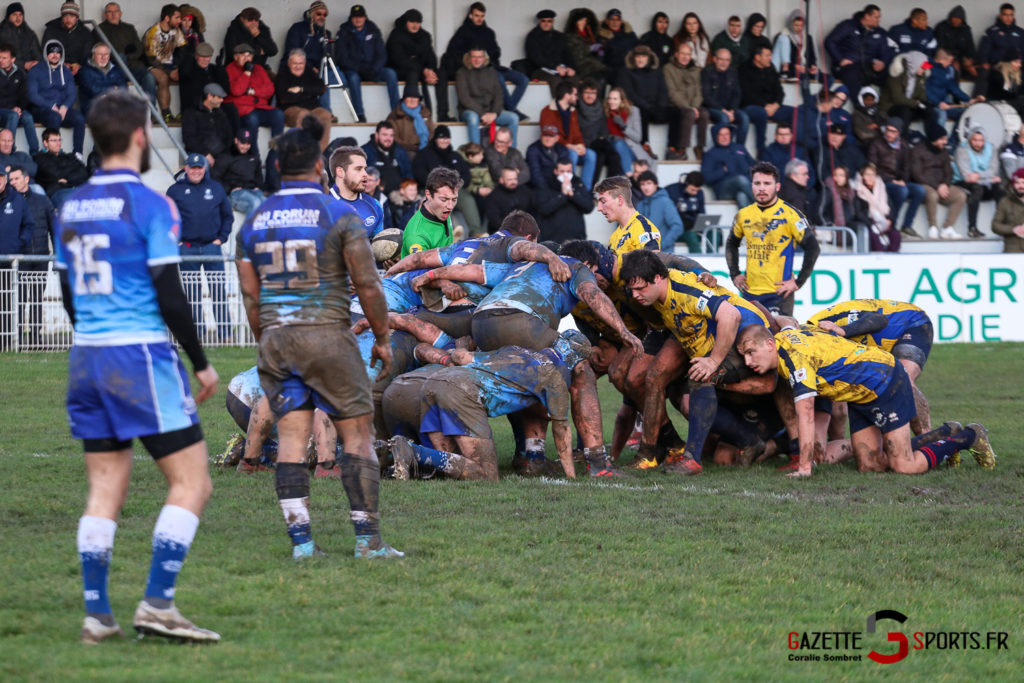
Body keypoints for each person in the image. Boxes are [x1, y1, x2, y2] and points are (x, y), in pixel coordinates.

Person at [55, 90, 220, 644]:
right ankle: (158, 602)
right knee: (192, 483)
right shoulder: (147, 204)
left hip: (88, 359)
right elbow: (170, 294)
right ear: (139, 136)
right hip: (138, 357)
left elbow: (69, 293)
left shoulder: (71, 206)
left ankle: (97, 614)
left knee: (104, 492)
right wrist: (200, 363)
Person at [235, 113, 401, 560]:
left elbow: (252, 298)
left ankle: (303, 545)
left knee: (291, 440)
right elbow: (367, 284)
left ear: (276, 169)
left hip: (277, 339)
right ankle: (368, 542)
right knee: (358, 438)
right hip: (328, 335)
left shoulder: (253, 220)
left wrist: (267, 341)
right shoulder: (340, 215)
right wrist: (382, 338)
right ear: (320, 170)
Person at [737, 324, 995, 477]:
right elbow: (788, 323)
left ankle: (969, 437)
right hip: (859, 394)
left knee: (903, 466)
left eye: (751, 353)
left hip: (884, 380)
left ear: (769, 344)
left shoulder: (793, 359)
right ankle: (943, 432)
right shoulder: (785, 336)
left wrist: (805, 467)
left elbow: (805, 413)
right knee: (871, 466)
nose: (748, 362)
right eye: (744, 356)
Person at [618, 248, 773, 475]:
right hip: (721, 341)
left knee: (701, 376)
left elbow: (731, 315)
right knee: (681, 397)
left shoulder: (684, 291)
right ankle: (749, 441)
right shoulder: (657, 294)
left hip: (744, 340)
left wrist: (713, 361)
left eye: (641, 288)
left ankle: (692, 460)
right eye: (631, 290)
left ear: (659, 279)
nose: (636, 295)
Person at [725, 161, 819, 316]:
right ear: (752, 186)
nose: (762, 188)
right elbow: (731, 244)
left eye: (767, 183)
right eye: (757, 183)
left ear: (777, 187)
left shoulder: (791, 215)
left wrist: (798, 282)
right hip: (750, 292)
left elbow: (813, 248)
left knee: (779, 339)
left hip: (779, 294)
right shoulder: (743, 215)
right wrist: (735, 274)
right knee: (748, 338)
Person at [165, 154, 232, 341]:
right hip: (187, 248)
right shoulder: (175, 190)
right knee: (192, 295)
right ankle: (197, 334)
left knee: (218, 291)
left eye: (199, 168)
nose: (196, 171)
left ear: (205, 168)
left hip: (212, 247)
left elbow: (228, 216)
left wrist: (221, 239)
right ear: (186, 168)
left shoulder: (216, 188)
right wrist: (176, 241)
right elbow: (166, 218)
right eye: (192, 168)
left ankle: (225, 334)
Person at [436, 3, 528, 123]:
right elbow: (452, 53)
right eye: (476, 16)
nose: (479, 19)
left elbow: (496, 51)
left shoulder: (489, 32)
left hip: (494, 66)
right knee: (498, 78)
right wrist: (473, 60)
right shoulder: (463, 31)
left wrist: (492, 55)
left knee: (523, 79)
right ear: (470, 16)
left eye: (482, 16)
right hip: (477, 70)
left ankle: (509, 107)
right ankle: (512, 109)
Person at [7, 163, 51, 349]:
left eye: (16, 178)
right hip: (20, 259)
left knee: (37, 300)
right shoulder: (8, 202)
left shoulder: (43, 201)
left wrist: (57, 258)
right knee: (18, 298)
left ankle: (35, 338)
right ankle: (15, 337)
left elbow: (54, 229)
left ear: (26, 179)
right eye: (11, 180)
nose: (13, 182)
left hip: (41, 257)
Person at [619, 45, 685, 160]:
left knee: (676, 112)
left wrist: (660, 106)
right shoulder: (627, 72)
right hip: (640, 108)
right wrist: (647, 106)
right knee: (641, 112)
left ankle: (672, 148)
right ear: (633, 58)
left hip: (657, 108)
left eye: (643, 57)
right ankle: (645, 146)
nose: (640, 60)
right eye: (638, 57)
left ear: (648, 58)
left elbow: (663, 91)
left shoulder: (656, 72)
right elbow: (629, 94)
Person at [336, 4, 400, 121]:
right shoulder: (343, 32)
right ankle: (359, 115)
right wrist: (359, 69)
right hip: (354, 69)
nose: (358, 19)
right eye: (355, 17)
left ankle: (396, 112)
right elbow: (342, 58)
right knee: (354, 79)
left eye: (360, 16)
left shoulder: (373, 30)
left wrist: (374, 69)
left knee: (390, 73)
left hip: (372, 69)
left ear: (365, 17)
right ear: (351, 18)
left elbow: (382, 54)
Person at [868, 117, 927, 239]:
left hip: (898, 181)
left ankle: (907, 225)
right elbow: (872, 168)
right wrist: (892, 181)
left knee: (920, 190)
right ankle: (892, 224)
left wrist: (903, 180)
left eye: (893, 131)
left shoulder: (904, 145)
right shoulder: (876, 143)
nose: (889, 134)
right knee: (901, 191)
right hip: (882, 181)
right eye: (888, 130)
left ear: (899, 133)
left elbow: (907, 166)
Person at [910, 124, 968, 239]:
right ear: (934, 139)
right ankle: (933, 227)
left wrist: (945, 185)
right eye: (942, 139)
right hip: (924, 184)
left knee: (960, 195)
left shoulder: (943, 152)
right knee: (932, 195)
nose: (945, 142)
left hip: (941, 185)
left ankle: (947, 227)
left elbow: (949, 172)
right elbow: (917, 174)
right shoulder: (917, 151)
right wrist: (937, 187)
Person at [27, 41, 85, 156]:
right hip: (41, 108)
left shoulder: (67, 72)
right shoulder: (35, 70)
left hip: (61, 108)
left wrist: (65, 106)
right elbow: (32, 95)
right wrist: (51, 106)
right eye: (51, 52)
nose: (55, 55)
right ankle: (53, 154)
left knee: (79, 118)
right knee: (55, 117)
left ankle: (78, 155)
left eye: (58, 53)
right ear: (45, 54)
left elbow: (72, 93)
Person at [455, 46, 519, 147]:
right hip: (470, 111)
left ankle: (511, 154)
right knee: (473, 118)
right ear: (469, 57)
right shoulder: (461, 73)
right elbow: (464, 98)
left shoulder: (491, 72)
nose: (477, 60)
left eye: (480, 57)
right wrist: (482, 113)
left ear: (484, 58)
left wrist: (494, 113)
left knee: (513, 118)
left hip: (490, 112)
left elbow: (499, 95)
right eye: (474, 57)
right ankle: (476, 153)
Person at [826, 5, 894, 95]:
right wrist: (840, 60)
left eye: (879, 17)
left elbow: (886, 51)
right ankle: (859, 106)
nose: (879, 20)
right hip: (848, 66)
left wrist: (882, 62)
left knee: (890, 76)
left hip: (869, 66)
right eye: (876, 17)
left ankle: (884, 107)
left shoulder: (880, 32)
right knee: (852, 74)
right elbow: (830, 41)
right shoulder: (848, 25)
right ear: (866, 16)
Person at [739, 46, 793, 156]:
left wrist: (776, 104)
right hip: (751, 106)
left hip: (772, 107)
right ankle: (761, 150)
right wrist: (765, 106)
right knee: (761, 113)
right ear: (757, 57)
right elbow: (746, 94)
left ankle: (791, 147)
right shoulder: (744, 69)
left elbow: (779, 91)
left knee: (796, 112)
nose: (770, 58)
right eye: (767, 55)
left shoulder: (771, 67)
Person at [538, 82, 595, 187]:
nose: (577, 97)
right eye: (575, 94)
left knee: (591, 155)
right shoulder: (547, 111)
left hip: (571, 147)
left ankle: (585, 191)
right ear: (567, 95)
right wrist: (569, 146)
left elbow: (577, 133)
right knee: (571, 154)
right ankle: (569, 187)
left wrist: (581, 145)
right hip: (557, 149)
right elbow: (550, 137)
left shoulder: (573, 111)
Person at [275, 49, 331, 151]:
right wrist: (309, 94)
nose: (298, 66)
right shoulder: (282, 74)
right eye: (294, 63)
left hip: (313, 108)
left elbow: (321, 88)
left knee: (325, 114)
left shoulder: (309, 71)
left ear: (305, 63)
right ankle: (302, 153)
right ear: (289, 63)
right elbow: (284, 98)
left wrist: (301, 89)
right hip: (291, 109)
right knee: (304, 114)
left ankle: (322, 153)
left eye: (301, 63)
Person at [282, 2, 334, 112]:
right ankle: (326, 112)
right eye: (319, 14)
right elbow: (291, 52)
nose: (322, 17)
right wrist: (309, 67)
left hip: (319, 69)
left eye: (325, 15)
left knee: (341, 76)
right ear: (311, 14)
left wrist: (321, 68)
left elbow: (329, 56)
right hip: (298, 67)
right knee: (321, 79)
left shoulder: (326, 34)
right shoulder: (298, 28)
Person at [226, 43, 283, 144]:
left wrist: (253, 91)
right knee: (252, 119)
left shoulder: (259, 69)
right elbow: (237, 91)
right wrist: (246, 73)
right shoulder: (229, 69)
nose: (246, 58)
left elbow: (270, 90)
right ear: (235, 57)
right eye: (243, 55)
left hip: (260, 108)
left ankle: (275, 155)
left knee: (278, 114)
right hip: (243, 110)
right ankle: (253, 156)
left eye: (249, 55)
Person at [953, 127, 1004, 238]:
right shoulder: (962, 150)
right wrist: (989, 178)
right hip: (961, 182)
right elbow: (967, 176)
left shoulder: (992, 149)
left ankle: (1003, 225)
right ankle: (972, 228)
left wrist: (979, 176)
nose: (978, 143)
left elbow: (993, 170)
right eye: (975, 140)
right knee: (976, 189)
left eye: (981, 140)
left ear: (984, 140)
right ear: (970, 139)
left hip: (983, 182)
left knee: (999, 188)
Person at [663, 42, 710, 161]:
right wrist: (689, 107)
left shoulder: (695, 70)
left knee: (704, 113)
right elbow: (672, 92)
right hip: (676, 105)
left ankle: (700, 147)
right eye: (682, 54)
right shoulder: (668, 68)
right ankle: (682, 148)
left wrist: (694, 106)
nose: (685, 57)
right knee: (689, 114)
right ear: (676, 54)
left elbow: (699, 92)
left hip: (693, 105)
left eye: (688, 54)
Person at [386, 9, 438, 113]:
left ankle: (440, 114)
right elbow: (399, 61)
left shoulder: (424, 36)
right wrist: (424, 70)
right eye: (412, 22)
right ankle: (409, 109)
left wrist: (430, 70)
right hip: (400, 70)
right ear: (406, 22)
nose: (415, 25)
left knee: (441, 73)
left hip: (421, 70)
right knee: (413, 73)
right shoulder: (396, 35)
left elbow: (431, 57)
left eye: (418, 22)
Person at [401, 166, 461, 257]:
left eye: (454, 199)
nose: (450, 206)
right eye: (444, 200)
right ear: (428, 195)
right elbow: (424, 271)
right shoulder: (416, 236)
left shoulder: (441, 210)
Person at [327, 146, 384, 239]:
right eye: (358, 169)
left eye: (365, 168)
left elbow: (379, 246)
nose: (365, 174)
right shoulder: (320, 205)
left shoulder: (374, 205)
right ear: (340, 172)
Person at [595, 174, 661, 253]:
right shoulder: (615, 235)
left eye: (603, 201)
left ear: (620, 200)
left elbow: (652, 263)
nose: (599, 208)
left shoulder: (643, 229)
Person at [534, 157, 592, 243]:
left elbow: (589, 207)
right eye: (562, 171)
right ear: (556, 171)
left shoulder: (578, 183)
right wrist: (563, 195)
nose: (566, 175)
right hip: (552, 240)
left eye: (568, 171)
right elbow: (543, 209)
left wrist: (572, 195)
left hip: (576, 240)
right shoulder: (546, 185)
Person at [143, 4, 185, 123]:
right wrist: (169, 71)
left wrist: (179, 68)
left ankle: (186, 110)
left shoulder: (176, 31)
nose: (179, 20)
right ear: (167, 18)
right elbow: (150, 58)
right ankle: (166, 113)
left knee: (187, 75)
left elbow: (183, 49)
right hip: (152, 64)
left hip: (170, 64)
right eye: (176, 18)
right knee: (163, 78)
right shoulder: (153, 32)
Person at [576, 79, 623, 178]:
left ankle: (611, 190)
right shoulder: (576, 108)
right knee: (599, 157)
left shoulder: (600, 107)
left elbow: (603, 129)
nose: (590, 96)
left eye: (593, 93)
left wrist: (602, 139)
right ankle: (591, 190)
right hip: (584, 143)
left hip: (599, 141)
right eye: (587, 92)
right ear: (581, 93)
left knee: (615, 157)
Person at [212, 128, 263, 218]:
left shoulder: (253, 156)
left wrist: (257, 186)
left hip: (252, 190)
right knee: (255, 203)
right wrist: (229, 189)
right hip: (235, 193)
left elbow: (258, 175)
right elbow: (215, 177)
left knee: (267, 202)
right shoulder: (226, 156)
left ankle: (266, 232)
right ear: (236, 141)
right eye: (243, 143)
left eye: (248, 144)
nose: (245, 146)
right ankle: (250, 232)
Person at [702, 48, 749, 144]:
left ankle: (739, 149)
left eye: (727, 60)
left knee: (744, 118)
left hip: (729, 110)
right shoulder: (706, 72)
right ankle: (724, 149)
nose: (724, 63)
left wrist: (732, 110)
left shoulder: (733, 72)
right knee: (724, 118)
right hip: (712, 108)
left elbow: (737, 94)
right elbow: (706, 97)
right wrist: (724, 111)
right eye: (721, 59)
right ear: (715, 59)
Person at [522, 9, 575, 94]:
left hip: (559, 69)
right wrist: (556, 67)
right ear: (539, 21)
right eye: (543, 21)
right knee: (556, 81)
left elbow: (567, 54)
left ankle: (573, 106)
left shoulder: (559, 36)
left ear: (553, 21)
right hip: (539, 70)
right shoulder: (533, 36)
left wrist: (570, 67)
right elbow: (536, 58)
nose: (546, 24)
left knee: (573, 79)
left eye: (549, 21)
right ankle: (559, 105)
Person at [701, 123, 755, 207]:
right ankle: (767, 205)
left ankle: (749, 220)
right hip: (724, 190)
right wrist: (722, 170)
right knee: (740, 179)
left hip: (743, 186)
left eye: (727, 134)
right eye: (721, 135)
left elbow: (753, 165)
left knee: (742, 196)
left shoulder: (740, 148)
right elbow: (706, 178)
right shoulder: (710, 154)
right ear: (715, 136)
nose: (725, 137)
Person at [852, 162, 901, 251]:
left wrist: (889, 219)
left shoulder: (882, 189)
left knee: (895, 234)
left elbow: (890, 208)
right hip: (870, 223)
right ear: (862, 176)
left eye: (873, 175)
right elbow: (858, 213)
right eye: (868, 174)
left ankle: (892, 257)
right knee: (873, 235)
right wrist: (872, 224)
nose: (871, 177)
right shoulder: (858, 191)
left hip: (884, 221)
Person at [604, 87, 654, 173]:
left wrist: (623, 126)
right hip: (611, 147)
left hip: (630, 148)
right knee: (617, 149)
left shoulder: (633, 111)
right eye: (610, 98)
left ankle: (628, 174)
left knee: (619, 145)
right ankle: (628, 176)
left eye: (615, 99)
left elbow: (638, 137)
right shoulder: (605, 111)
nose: (611, 101)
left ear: (622, 100)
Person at [33, 127, 87, 207]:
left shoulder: (69, 156)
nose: (58, 143)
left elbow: (84, 172)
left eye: (59, 140)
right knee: (72, 203)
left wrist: (67, 179)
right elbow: (55, 174)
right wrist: (72, 171)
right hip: (58, 192)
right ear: (45, 143)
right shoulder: (39, 158)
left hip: (77, 188)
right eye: (54, 140)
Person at [182, 83, 232, 165]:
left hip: (221, 154)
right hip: (199, 154)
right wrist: (206, 154)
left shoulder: (221, 113)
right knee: (203, 163)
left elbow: (228, 136)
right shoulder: (191, 113)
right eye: (219, 97)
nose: (222, 100)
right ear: (209, 96)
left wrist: (224, 153)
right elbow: (189, 139)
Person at [927, 48, 978, 129]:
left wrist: (968, 99)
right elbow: (922, 89)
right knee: (942, 115)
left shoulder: (947, 70)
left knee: (965, 114)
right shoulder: (927, 65)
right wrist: (937, 103)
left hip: (945, 104)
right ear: (942, 60)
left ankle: (952, 140)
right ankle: (938, 140)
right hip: (930, 105)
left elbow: (953, 88)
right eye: (950, 61)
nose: (951, 64)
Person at [0, 41, 36, 154]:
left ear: (13, 59)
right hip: (2, 110)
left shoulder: (21, 74)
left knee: (28, 118)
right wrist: (13, 109)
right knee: (13, 115)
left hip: (15, 109)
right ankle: (9, 151)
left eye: (4, 58)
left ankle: (35, 152)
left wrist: (19, 107)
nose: (0, 60)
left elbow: (25, 95)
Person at [361, 121, 412, 193]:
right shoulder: (365, 152)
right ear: (376, 135)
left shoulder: (400, 151)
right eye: (384, 135)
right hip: (376, 195)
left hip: (399, 195)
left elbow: (408, 173)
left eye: (391, 135)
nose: (388, 139)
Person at [77, 43, 126, 116]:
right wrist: (114, 88)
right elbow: (93, 90)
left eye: (106, 54)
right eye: (100, 54)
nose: (103, 57)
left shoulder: (116, 70)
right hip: (93, 107)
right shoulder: (84, 71)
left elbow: (124, 88)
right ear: (93, 56)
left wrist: (104, 89)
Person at [386, 83, 434, 159]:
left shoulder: (426, 113)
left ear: (418, 100)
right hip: (405, 151)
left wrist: (425, 147)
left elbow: (432, 132)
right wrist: (414, 148)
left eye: (415, 97)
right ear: (404, 99)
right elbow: (394, 138)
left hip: (426, 148)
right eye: (409, 97)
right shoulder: (394, 115)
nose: (413, 100)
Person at [564, 8, 610, 86]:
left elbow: (597, 56)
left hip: (593, 66)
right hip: (581, 68)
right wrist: (590, 48)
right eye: (580, 20)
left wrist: (600, 53)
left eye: (585, 20)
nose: (583, 23)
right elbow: (576, 56)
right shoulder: (569, 37)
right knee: (599, 79)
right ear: (574, 22)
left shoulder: (590, 35)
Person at [222, 8, 278, 73]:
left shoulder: (262, 29)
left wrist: (258, 35)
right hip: (238, 69)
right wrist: (259, 51)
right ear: (242, 19)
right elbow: (232, 53)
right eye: (250, 20)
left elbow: (273, 51)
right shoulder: (233, 30)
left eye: (256, 20)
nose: (253, 23)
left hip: (260, 68)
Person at [42, 2, 89, 76]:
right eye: (65, 16)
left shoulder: (85, 32)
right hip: (56, 67)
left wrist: (79, 66)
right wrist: (60, 64)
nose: (68, 19)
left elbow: (87, 53)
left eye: (72, 16)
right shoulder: (51, 30)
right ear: (62, 17)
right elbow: (47, 51)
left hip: (79, 68)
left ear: (77, 18)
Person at [664, 170, 705, 253]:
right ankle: (697, 264)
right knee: (691, 236)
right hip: (679, 228)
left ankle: (712, 259)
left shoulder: (700, 193)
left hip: (694, 226)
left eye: (697, 190)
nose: (695, 193)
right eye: (692, 190)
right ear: (686, 184)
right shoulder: (671, 191)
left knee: (714, 234)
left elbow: (702, 213)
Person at [772, 9, 818, 83]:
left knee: (829, 78)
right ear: (790, 24)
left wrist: (813, 66)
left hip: (805, 69)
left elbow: (812, 56)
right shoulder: (782, 37)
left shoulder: (807, 37)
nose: (799, 28)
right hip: (792, 70)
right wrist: (795, 67)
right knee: (804, 78)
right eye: (796, 25)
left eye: (801, 25)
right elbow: (780, 58)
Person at [934, 6, 977, 79]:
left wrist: (969, 60)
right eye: (955, 18)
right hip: (945, 58)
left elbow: (970, 47)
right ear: (950, 17)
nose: (956, 21)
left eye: (959, 19)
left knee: (980, 71)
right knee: (954, 71)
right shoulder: (942, 27)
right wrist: (953, 60)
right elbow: (940, 47)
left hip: (961, 60)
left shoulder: (966, 29)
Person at [0, 3, 40, 73]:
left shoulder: (29, 32)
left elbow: (38, 54)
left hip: (30, 71)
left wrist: (36, 63)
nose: (18, 18)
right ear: (8, 16)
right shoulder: (2, 32)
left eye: (20, 15)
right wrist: (24, 64)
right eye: (15, 15)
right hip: (8, 72)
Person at [992, 166, 1024, 251]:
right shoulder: (1005, 201)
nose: (1020, 186)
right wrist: (1013, 229)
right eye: (1017, 183)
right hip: (1012, 252)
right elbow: (995, 226)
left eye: (1023, 182)